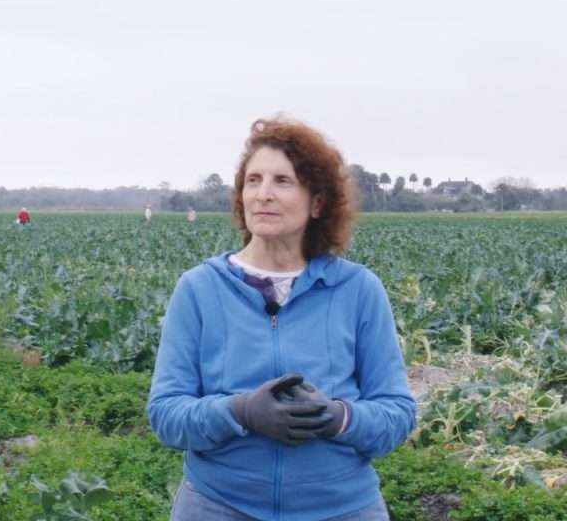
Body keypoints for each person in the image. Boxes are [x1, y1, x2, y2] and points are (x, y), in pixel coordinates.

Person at [147, 117, 415, 521]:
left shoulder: (359, 290)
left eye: (282, 181)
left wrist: (339, 417)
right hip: (218, 506)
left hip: (341, 508)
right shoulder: (200, 289)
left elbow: (396, 412)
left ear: (318, 202)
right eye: (253, 181)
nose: (263, 195)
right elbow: (166, 414)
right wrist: (240, 412)